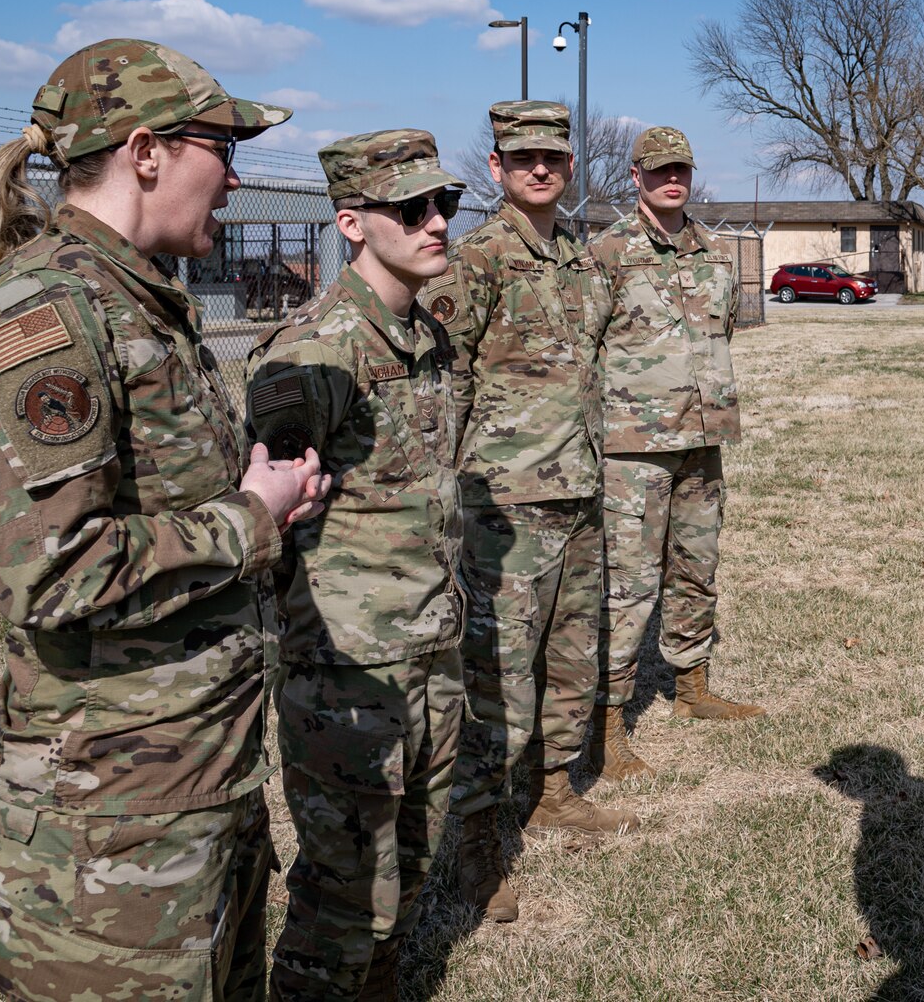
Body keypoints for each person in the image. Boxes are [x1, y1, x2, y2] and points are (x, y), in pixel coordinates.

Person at [0, 38, 328, 1001]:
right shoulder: (49, 314)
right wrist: (248, 518)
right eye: (222, 148)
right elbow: (47, 570)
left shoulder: (142, 301)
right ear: (147, 151)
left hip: (190, 797)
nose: (235, 178)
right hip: (102, 837)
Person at [245, 130, 469, 1001]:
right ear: (351, 223)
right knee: (343, 888)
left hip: (429, 644)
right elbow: (268, 513)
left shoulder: (428, 339)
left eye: (442, 204)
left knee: (411, 860)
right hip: (348, 666)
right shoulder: (315, 353)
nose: (435, 223)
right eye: (410, 209)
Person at [428, 101, 634, 925]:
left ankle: (551, 791)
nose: (538, 169)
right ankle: (474, 835)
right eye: (522, 159)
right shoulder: (476, 259)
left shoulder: (580, 261)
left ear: (571, 164)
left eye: (552, 156)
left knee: (571, 657)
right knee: (496, 675)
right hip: (504, 508)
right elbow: (448, 382)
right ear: (497, 168)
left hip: (579, 493)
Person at [590, 125, 761, 779]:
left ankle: (692, 690)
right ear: (635, 177)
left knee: (697, 567)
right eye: (659, 170)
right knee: (628, 586)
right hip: (633, 448)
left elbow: (721, 335)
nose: (672, 180)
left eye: (681, 170)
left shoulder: (717, 253)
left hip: (703, 437)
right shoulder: (605, 254)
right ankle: (607, 726)